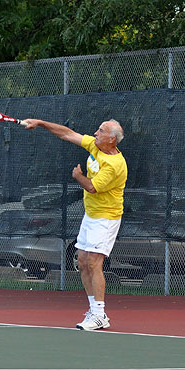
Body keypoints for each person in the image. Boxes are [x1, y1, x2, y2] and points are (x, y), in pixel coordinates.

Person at [24, 118, 127, 331]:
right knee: (82, 260)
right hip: (91, 215)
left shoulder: (115, 165)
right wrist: (41, 123)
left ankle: (99, 314)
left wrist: (78, 176)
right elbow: (67, 134)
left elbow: (91, 187)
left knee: (94, 262)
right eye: (97, 128)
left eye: (101, 130)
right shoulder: (95, 146)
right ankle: (96, 312)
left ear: (112, 140)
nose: (95, 133)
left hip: (107, 217)